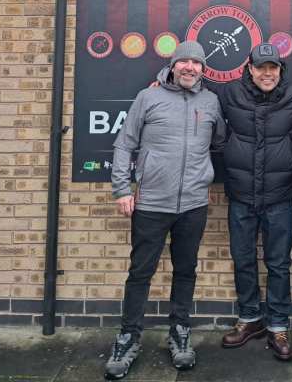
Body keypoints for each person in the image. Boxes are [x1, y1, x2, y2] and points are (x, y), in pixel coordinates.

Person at [105, 40, 225, 381]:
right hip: (152, 204)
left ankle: (180, 331)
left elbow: (219, 142)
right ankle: (128, 337)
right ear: (173, 65)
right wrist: (121, 189)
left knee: (186, 271)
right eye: (183, 61)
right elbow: (124, 143)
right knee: (140, 273)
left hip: (193, 204)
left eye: (196, 63)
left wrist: (204, 179)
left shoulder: (211, 101)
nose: (189, 67)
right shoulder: (149, 97)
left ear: (204, 69)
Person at [215, 43, 292, 361]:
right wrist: (164, 80)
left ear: (280, 71)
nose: (267, 73)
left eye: (273, 68)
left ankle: (278, 325)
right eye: (261, 67)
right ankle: (250, 319)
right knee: (243, 259)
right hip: (241, 194)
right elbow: (193, 92)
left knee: (278, 263)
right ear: (249, 68)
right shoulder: (229, 94)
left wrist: (290, 149)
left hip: (280, 194)